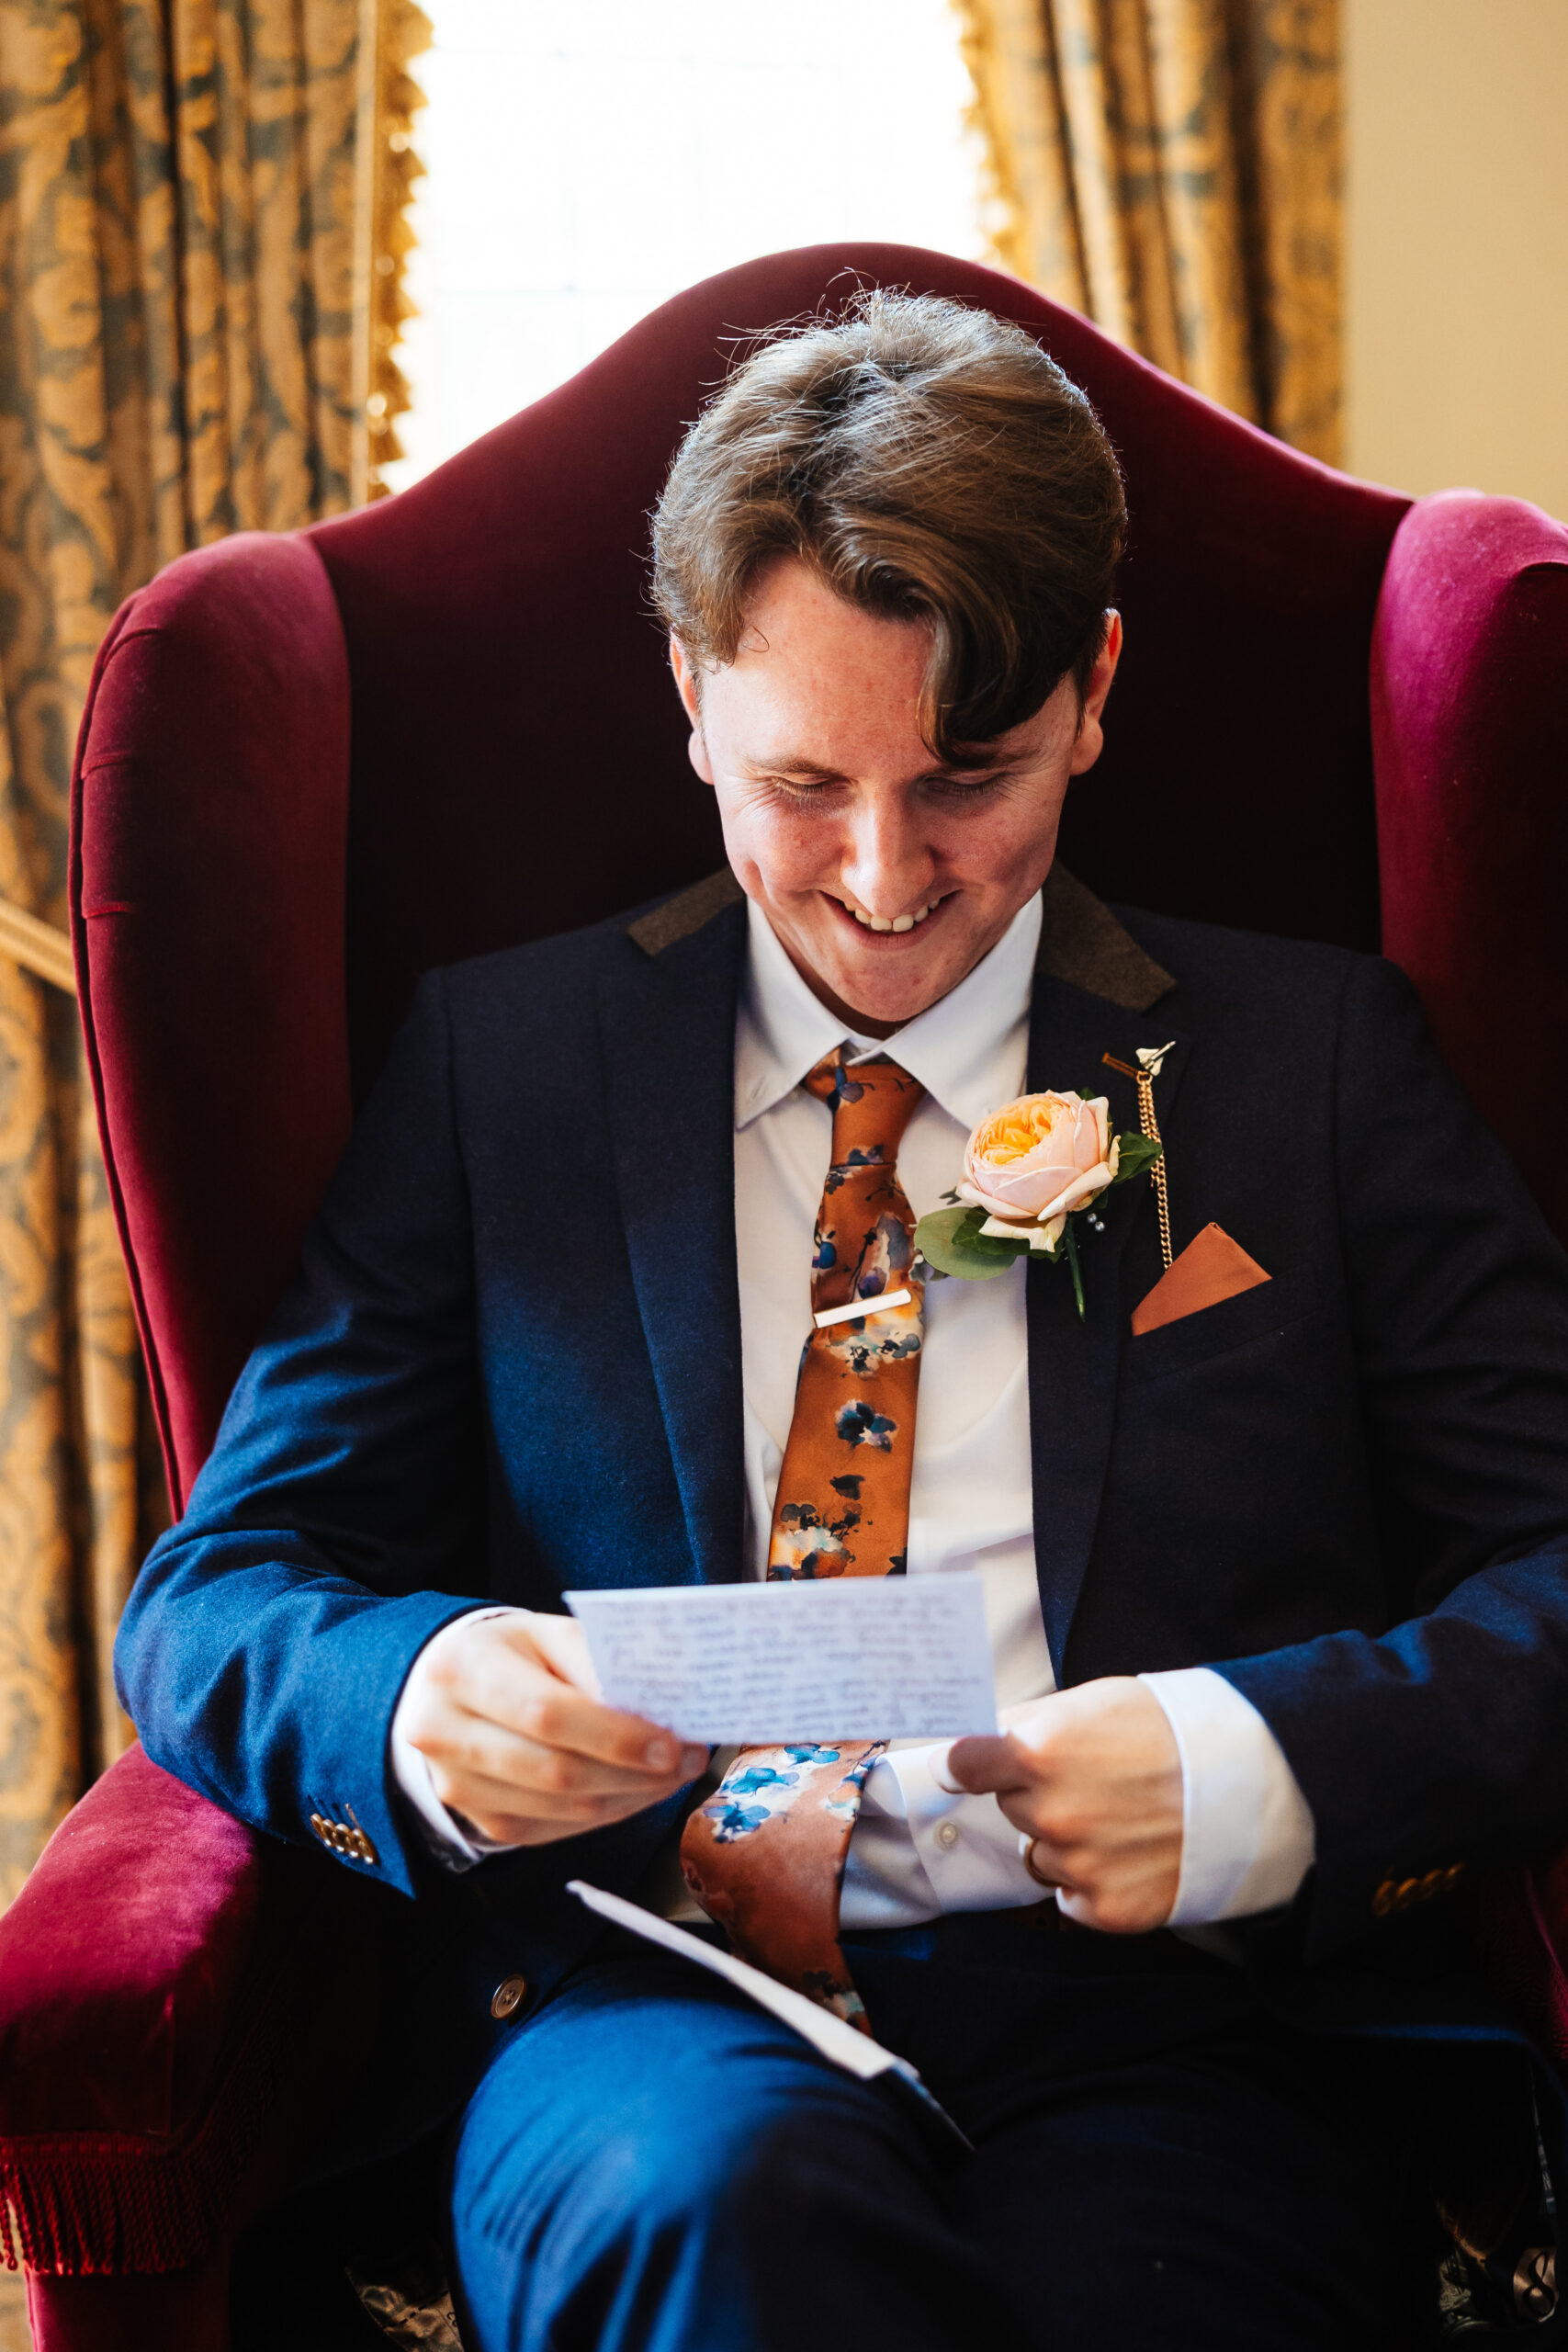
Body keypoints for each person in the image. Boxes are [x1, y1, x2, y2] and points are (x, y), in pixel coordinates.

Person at [118, 291, 1568, 2351]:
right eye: (802, 779)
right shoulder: (500, 1069)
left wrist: (1254, 1756)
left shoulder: (1311, 1067)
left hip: (1175, 2029)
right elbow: (213, 1593)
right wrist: (413, 1687)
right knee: (722, 2231)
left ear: (1090, 691)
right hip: (644, 2001)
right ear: (690, 697)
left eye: (966, 772)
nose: (884, 878)